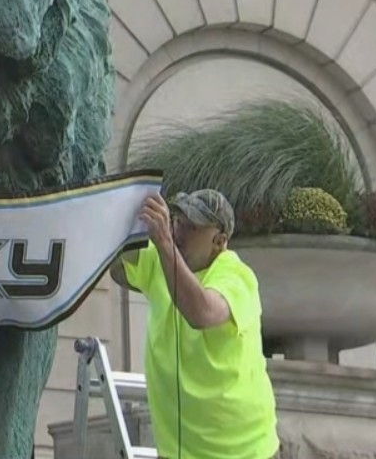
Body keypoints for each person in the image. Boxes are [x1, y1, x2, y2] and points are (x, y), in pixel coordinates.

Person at [112, 189, 279, 459]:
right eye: (177, 220)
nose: (179, 231)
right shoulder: (162, 258)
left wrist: (165, 243)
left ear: (219, 241)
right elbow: (119, 261)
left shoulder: (236, 275)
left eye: (192, 226)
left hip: (245, 451)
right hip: (180, 452)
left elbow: (201, 312)